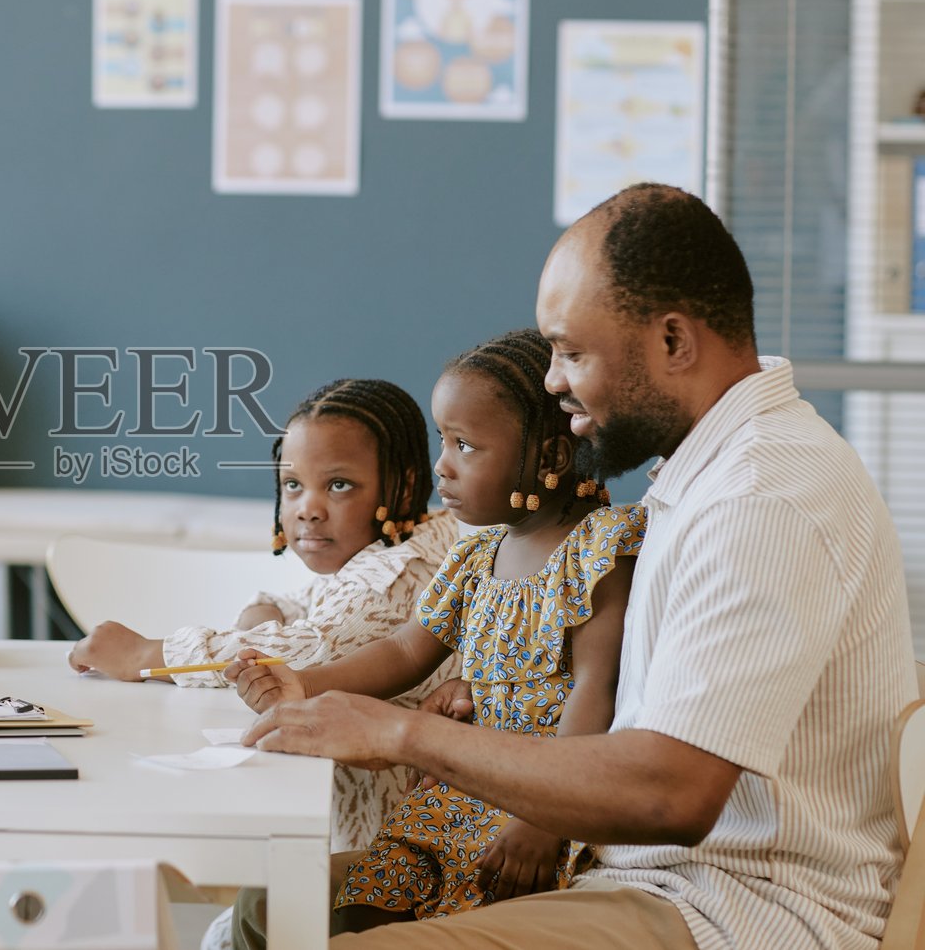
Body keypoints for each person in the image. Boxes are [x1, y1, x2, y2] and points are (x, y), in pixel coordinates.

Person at [231, 183, 915, 950]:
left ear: (673, 341)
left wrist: (402, 734)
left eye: (573, 351)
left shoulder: (763, 498)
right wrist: (475, 705)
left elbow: (669, 792)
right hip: (635, 875)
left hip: (733, 908)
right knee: (270, 913)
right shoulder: (705, 477)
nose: (554, 380)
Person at [230, 328, 642, 935]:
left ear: (551, 459)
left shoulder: (597, 551)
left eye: (466, 445)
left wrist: (543, 821)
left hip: (537, 810)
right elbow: (403, 650)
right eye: (442, 441)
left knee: (355, 922)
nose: (441, 468)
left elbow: (595, 690)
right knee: (303, 909)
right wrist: (301, 684)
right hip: (454, 802)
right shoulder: (477, 557)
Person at [69, 378, 461, 852]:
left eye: (339, 485)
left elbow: (306, 650)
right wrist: (265, 611)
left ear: (406, 483)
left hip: (392, 849)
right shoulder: (407, 540)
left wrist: (144, 654)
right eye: (292, 486)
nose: (308, 509)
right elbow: (305, 604)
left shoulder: (397, 572)